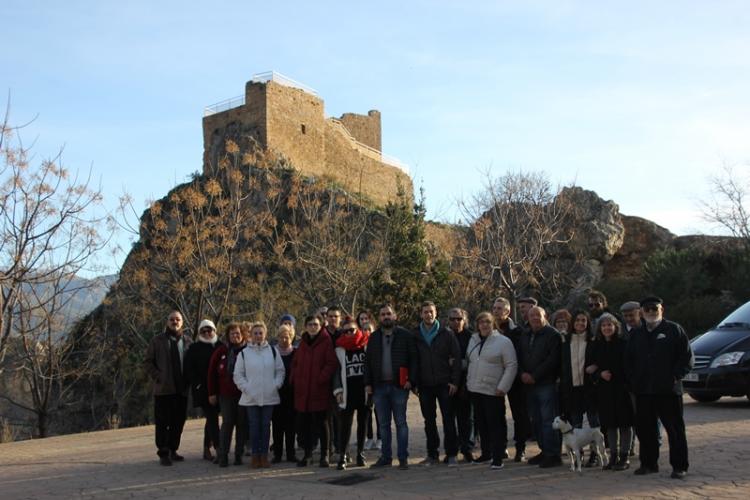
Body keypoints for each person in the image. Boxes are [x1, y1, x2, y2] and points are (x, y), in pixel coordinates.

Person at [625, 297, 692, 479]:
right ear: (642, 312)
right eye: (647, 309)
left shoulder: (673, 330)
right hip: (644, 391)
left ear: (662, 309)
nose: (651, 312)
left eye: (655, 308)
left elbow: (686, 358)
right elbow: (628, 361)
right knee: (646, 430)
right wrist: (633, 381)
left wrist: (675, 376)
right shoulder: (636, 334)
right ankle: (648, 464)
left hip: (668, 391)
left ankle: (679, 466)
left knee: (675, 430)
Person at [364, 304, 419, 470]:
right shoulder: (373, 337)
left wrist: (412, 380)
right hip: (379, 387)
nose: (386, 317)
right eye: (382, 314)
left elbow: (414, 359)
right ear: (379, 318)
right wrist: (367, 383)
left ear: (394, 316)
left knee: (401, 423)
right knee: (383, 424)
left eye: (388, 314)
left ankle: (403, 457)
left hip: (399, 386)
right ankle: (385, 457)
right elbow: (368, 362)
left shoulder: (405, 335)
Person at [466, 311, 518, 470]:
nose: (484, 325)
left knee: (495, 424)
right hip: (475, 389)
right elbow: (470, 360)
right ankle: (486, 453)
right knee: (481, 424)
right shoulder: (473, 339)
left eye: (487, 322)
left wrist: (503, 387)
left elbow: (511, 365)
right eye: (481, 322)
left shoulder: (503, 341)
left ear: (493, 324)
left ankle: (498, 456)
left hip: (494, 390)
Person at [413, 301, 461, 467]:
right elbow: (413, 361)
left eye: (431, 311)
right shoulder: (415, 335)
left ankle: (452, 453)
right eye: (425, 312)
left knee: (448, 419)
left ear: (436, 313)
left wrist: (455, 382)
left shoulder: (446, 333)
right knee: (429, 421)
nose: (429, 314)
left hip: (444, 383)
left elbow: (456, 358)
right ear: (421, 314)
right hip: (425, 385)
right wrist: (415, 383)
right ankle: (432, 455)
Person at [233, 321, 285, 468]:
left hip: (269, 396)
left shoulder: (273, 351)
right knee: (254, 427)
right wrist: (247, 388)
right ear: (251, 335)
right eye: (255, 333)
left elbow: (280, 371)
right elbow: (238, 375)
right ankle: (255, 456)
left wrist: (276, 385)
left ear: (265, 334)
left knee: (265, 426)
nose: (258, 335)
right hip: (251, 397)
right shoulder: (244, 353)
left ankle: (264, 456)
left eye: (260, 333)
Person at [144, 311, 192, 466]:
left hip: (181, 390)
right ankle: (163, 452)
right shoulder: (157, 341)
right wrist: (159, 376)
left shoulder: (187, 341)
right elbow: (148, 362)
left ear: (182, 322)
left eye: (178, 319)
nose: (175, 322)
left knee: (178, 422)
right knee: (163, 423)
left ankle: (173, 449)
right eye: (172, 319)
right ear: (167, 322)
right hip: (163, 390)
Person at [588, 313, 634, 471]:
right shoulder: (596, 345)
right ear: (599, 328)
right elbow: (590, 367)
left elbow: (629, 366)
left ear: (615, 327)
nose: (607, 328)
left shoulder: (623, 343)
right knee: (610, 425)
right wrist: (600, 374)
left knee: (625, 423)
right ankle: (613, 456)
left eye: (610, 325)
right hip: (604, 390)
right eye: (603, 325)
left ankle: (625, 456)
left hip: (622, 389)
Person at [518, 306, 563, 468]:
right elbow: (519, 356)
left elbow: (553, 360)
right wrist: (522, 373)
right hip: (528, 385)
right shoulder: (525, 334)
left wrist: (534, 376)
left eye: (538, 315)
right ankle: (544, 450)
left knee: (548, 420)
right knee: (536, 420)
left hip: (546, 384)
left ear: (545, 316)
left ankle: (553, 454)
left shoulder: (553, 335)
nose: (535, 318)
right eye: (532, 316)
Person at [291, 315, 337, 468]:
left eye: (316, 324)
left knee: (322, 424)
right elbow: (296, 363)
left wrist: (320, 378)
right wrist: (296, 379)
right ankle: (308, 454)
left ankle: (325, 454)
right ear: (305, 326)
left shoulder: (326, 341)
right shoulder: (303, 343)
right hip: (303, 391)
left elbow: (331, 363)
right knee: (305, 425)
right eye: (310, 324)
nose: (313, 327)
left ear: (320, 325)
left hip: (319, 390)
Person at [556, 309, 601, 467]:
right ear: (572, 323)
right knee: (576, 423)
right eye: (577, 320)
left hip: (590, 387)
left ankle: (595, 454)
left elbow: (599, 360)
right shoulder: (565, 340)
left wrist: (595, 366)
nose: (580, 323)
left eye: (583, 320)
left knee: (594, 422)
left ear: (588, 323)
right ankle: (578, 454)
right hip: (571, 388)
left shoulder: (594, 341)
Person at [492, 297, 531, 462]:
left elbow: (521, 354)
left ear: (508, 311)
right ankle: (501, 448)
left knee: (519, 415)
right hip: (495, 378)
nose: (496, 311)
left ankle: (520, 448)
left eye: (500, 308)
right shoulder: (488, 330)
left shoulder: (518, 331)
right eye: (494, 308)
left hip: (515, 379)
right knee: (497, 415)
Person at [207, 322, 247, 467]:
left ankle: (238, 455)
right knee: (227, 423)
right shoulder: (221, 351)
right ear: (228, 336)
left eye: (237, 333)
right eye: (232, 334)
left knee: (242, 425)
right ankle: (223, 455)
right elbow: (211, 372)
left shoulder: (247, 350)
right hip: (225, 395)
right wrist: (212, 393)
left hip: (243, 394)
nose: (235, 336)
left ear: (242, 335)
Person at [333, 316, 370, 470]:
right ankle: (343, 455)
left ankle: (360, 453)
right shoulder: (339, 348)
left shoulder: (366, 344)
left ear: (358, 329)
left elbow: (372, 367)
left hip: (364, 391)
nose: (349, 333)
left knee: (363, 424)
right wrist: (338, 390)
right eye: (346, 330)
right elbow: (336, 371)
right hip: (347, 392)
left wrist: (371, 386)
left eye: (352, 330)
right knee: (345, 426)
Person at [184, 319, 221, 462]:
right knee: (212, 418)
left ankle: (206, 447)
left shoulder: (220, 345)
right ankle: (219, 448)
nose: (207, 333)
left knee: (211, 420)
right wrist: (198, 384)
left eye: (209, 330)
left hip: (219, 389)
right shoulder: (194, 348)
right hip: (203, 390)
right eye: (203, 331)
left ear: (214, 331)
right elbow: (189, 369)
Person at [447, 307, 475, 463]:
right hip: (448, 383)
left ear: (465, 320)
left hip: (466, 383)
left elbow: (474, 360)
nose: (456, 322)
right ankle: (451, 450)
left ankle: (467, 449)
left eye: (459, 319)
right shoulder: (444, 336)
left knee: (467, 419)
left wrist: (457, 363)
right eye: (452, 319)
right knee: (449, 419)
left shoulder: (472, 337)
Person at [271, 324, 297, 463]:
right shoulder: (272, 352)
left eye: (287, 337)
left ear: (291, 338)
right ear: (278, 338)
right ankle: (278, 454)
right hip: (276, 393)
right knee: (277, 425)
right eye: (281, 337)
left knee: (291, 426)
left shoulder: (296, 353)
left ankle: (291, 453)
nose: (284, 339)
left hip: (292, 394)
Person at [358, 310, 381, 452]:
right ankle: (369, 437)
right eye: (364, 329)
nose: (367, 332)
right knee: (366, 411)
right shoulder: (358, 345)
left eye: (369, 329)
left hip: (378, 382)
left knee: (379, 411)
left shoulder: (378, 344)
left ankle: (380, 438)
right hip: (364, 383)